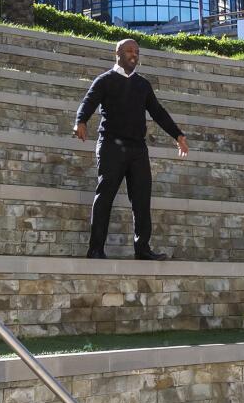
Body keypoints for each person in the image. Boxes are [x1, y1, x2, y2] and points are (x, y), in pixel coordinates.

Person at [71, 38, 190, 260]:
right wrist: (80, 121)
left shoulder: (143, 84)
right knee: (104, 196)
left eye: (136, 51)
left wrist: (178, 135)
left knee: (142, 199)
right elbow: (88, 102)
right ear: (117, 54)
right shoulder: (104, 80)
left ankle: (142, 249)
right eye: (129, 51)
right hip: (110, 145)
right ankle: (95, 248)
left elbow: (158, 112)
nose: (134, 54)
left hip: (137, 148)